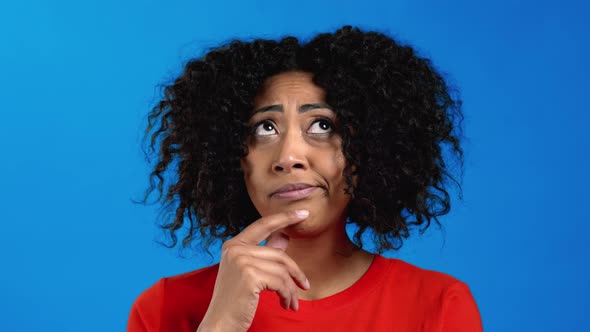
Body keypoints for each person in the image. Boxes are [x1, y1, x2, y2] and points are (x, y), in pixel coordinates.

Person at [128, 25, 483, 331]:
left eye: (322, 125)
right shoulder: (165, 307)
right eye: (265, 128)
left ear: (370, 150)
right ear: (230, 157)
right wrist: (219, 325)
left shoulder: (437, 305)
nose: (288, 157)